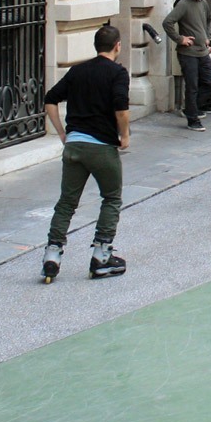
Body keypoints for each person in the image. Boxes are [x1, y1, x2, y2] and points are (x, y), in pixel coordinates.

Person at [39, 24, 132, 282]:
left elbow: (50, 98)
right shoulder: (117, 73)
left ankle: (52, 255)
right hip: (102, 147)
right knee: (111, 198)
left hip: (75, 146)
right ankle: (101, 255)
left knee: (67, 202)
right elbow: (121, 109)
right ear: (117, 46)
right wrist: (124, 135)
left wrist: (61, 132)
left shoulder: (77, 70)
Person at [162, 0, 211, 131]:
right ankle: (193, 119)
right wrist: (180, 39)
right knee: (191, 86)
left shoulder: (204, 3)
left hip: (203, 51)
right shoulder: (184, 4)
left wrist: (206, 37)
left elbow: (208, 20)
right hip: (188, 53)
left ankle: (190, 109)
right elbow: (168, 23)